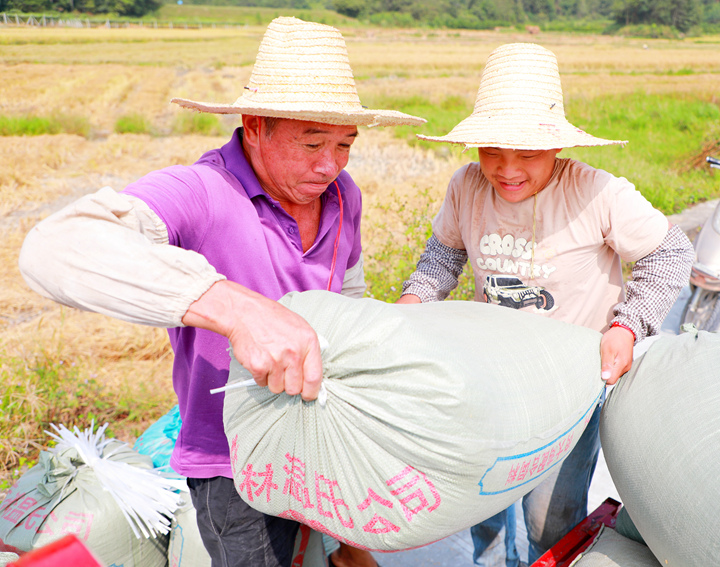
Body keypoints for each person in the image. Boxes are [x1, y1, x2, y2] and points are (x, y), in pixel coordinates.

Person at [18, 17, 424, 567]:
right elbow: (55, 246)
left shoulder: (342, 194)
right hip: (233, 465)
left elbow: (346, 287)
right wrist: (237, 310)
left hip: (319, 440)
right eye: (310, 143)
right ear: (255, 126)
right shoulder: (202, 192)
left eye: (344, 144)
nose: (329, 164)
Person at [396, 43, 694, 566]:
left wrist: (626, 327)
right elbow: (443, 259)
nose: (506, 170)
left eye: (527, 153)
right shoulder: (466, 186)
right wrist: (410, 305)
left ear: (556, 146)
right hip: (488, 378)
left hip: (570, 387)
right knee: (479, 500)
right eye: (492, 151)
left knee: (547, 518)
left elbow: (670, 253)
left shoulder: (596, 192)